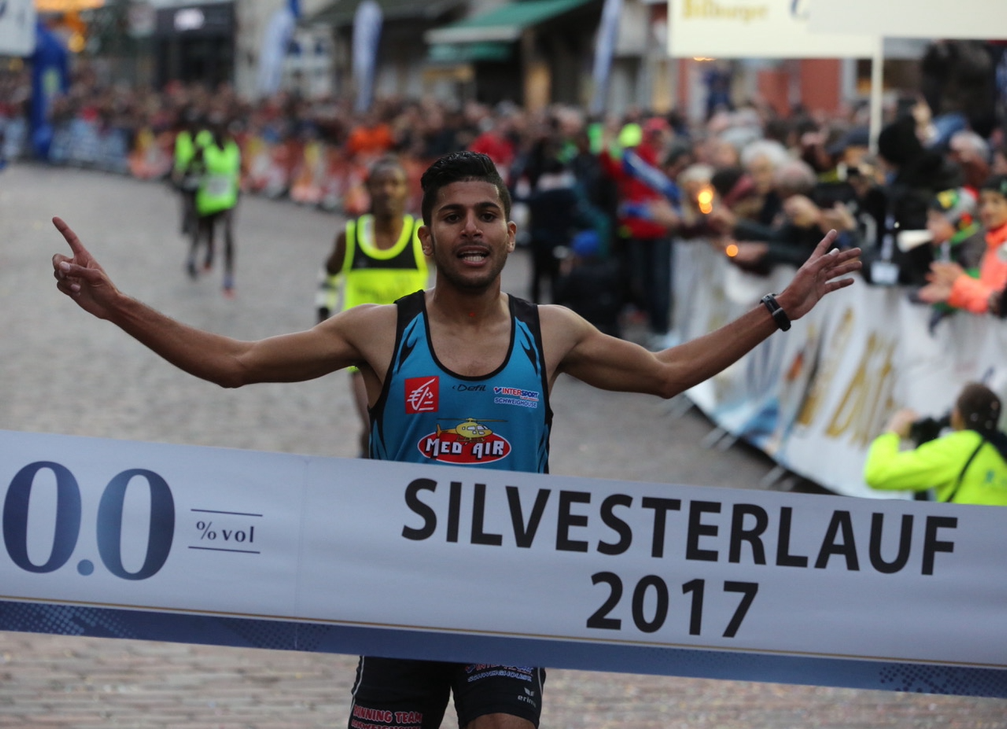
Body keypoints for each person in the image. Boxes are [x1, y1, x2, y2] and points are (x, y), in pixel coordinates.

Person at [51, 151, 861, 729]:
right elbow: (235, 363)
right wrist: (119, 305)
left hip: (506, 602)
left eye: (484, 215)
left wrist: (779, 307)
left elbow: (664, 372)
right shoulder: (381, 330)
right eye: (451, 216)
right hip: (397, 601)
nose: (469, 228)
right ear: (426, 236)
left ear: (509, 234)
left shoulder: (554, 333)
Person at [316, 155, 430, 456]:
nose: (387, 191)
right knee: (374, 425)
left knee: (406, 432)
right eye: (380, 184)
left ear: (407, 190)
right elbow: (329, 272)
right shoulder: (351, 237)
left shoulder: (422, 237)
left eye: (395, 184)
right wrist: (324, 312)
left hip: (412, 350)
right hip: (361, 349)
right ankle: (365, 467)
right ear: (368, 188)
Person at [863, 382, 1007, 506]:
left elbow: (878, 474)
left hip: (966, 537)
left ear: (957, 415)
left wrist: (891, 432)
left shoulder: (958, 448)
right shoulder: (1001, 450)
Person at [916, 174, 1007, 314]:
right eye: (983, 203)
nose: (987, 210)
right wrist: (951, 295)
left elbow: (997, 300)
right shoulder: (992, 243)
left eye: (996, 202)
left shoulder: (980, 244)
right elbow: (988, 297)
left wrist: (958, 282)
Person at [188, 112, 242, 296]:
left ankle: (228, 278)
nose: (218, 133)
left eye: (221, 129)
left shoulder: (233, 148)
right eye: (215, 129)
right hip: (207, 199)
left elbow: (238, 169)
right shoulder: (204, 148)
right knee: (204, 231)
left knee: (228, 235)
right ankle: (195, 258)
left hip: (227, 199)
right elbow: (190, 165)